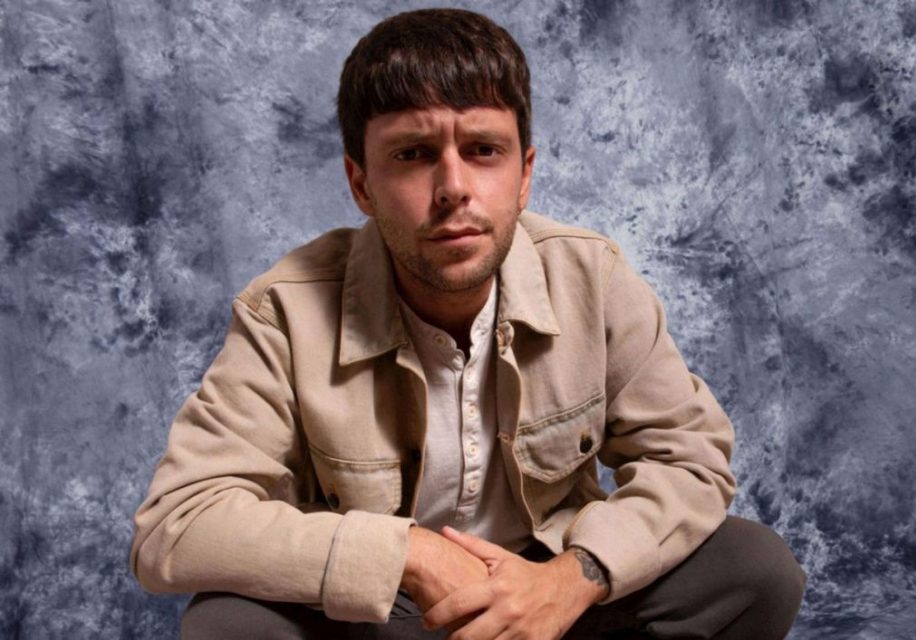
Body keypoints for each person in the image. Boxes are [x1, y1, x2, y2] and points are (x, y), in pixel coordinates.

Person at [130, 8, 806, 639]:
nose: (453, 187)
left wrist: (574, 578)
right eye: (413, 154)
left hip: (549, 595)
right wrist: (408, 554)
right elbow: (176, 524)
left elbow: (688, 459)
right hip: (384, 612)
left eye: (483, 150)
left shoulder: (592, 277)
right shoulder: (284, 310)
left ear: (524, 175)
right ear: (361, 183)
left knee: (753, 569)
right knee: (228, 624)